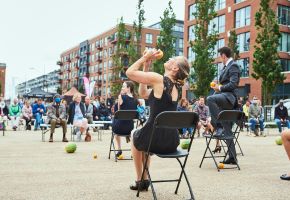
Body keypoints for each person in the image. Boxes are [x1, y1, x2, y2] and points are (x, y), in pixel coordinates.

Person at [126, 49, 189, 191]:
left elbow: (129, 73)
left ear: (175, 68)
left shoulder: (159, 79)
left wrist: (145, 57)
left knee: (135, 134)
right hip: (171, 142)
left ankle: (140, 180)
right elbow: (143, 94)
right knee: (143, 136)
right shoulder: (177, 88)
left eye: (173, 58)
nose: (169, 57)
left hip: (155, 140)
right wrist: (146, 67)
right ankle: (145, 178)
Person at [207, 46, 240, 165]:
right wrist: (217, 85)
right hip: (223, 98)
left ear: (223, 56)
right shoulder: (225, 67)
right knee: (227, 131)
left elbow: (233, 84)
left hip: (229, 98)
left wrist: (219, 87)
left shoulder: (233, 65)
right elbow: (224, 83)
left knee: (210, 99)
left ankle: (218, 125)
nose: (220, 59)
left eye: (220, 57)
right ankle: (232, 157)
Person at [112, 81, 138, 159]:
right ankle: (133, 153)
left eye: (123, 86)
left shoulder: (121, 97)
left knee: (116, 131)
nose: (122, 88)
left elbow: (118, 112)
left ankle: (119, 149)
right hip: (130, 128)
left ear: (128, 88)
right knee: (132, 132)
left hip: (119, 128)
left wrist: (120, 97)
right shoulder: (135, 99)